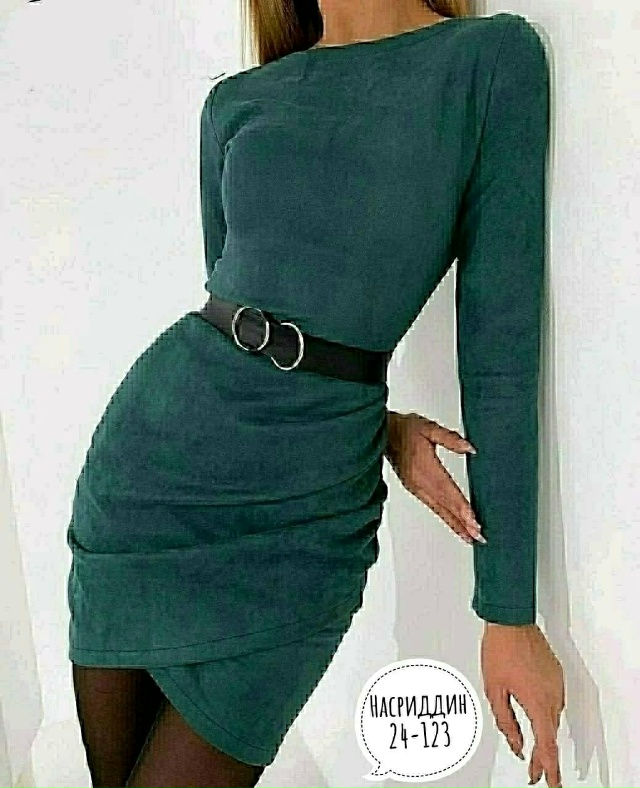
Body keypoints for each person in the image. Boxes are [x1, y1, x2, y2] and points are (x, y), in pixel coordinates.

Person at [67, 1, 565, 786]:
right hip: (147, 483)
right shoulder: (236, 102)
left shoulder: (488, 61)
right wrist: (386, 424)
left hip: (305, 519)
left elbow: (500, 352)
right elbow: (243, 315)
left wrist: (508, 613)